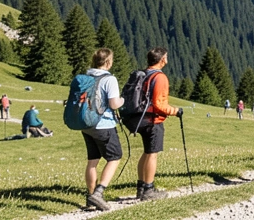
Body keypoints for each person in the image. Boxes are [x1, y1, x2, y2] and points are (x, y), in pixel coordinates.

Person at [128, 47, 182, 202]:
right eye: (166, 57)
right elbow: (159, 104)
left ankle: (141, 187)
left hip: (140, 118)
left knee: (146, 152)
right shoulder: (160, 77)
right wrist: (175, 111)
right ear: (162, 59)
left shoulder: (143, 74)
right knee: (152, 153)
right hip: (153, 120)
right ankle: (149, 190)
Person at [78, 48, 125, 211]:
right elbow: (113, 104)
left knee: (93, 160)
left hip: (86, 124)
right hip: (103, 124)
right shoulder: (109, 79)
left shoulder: (85, 76)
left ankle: (90, 197)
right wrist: (123, 100)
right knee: (115, 157)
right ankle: (98, 193)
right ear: (108, 62)